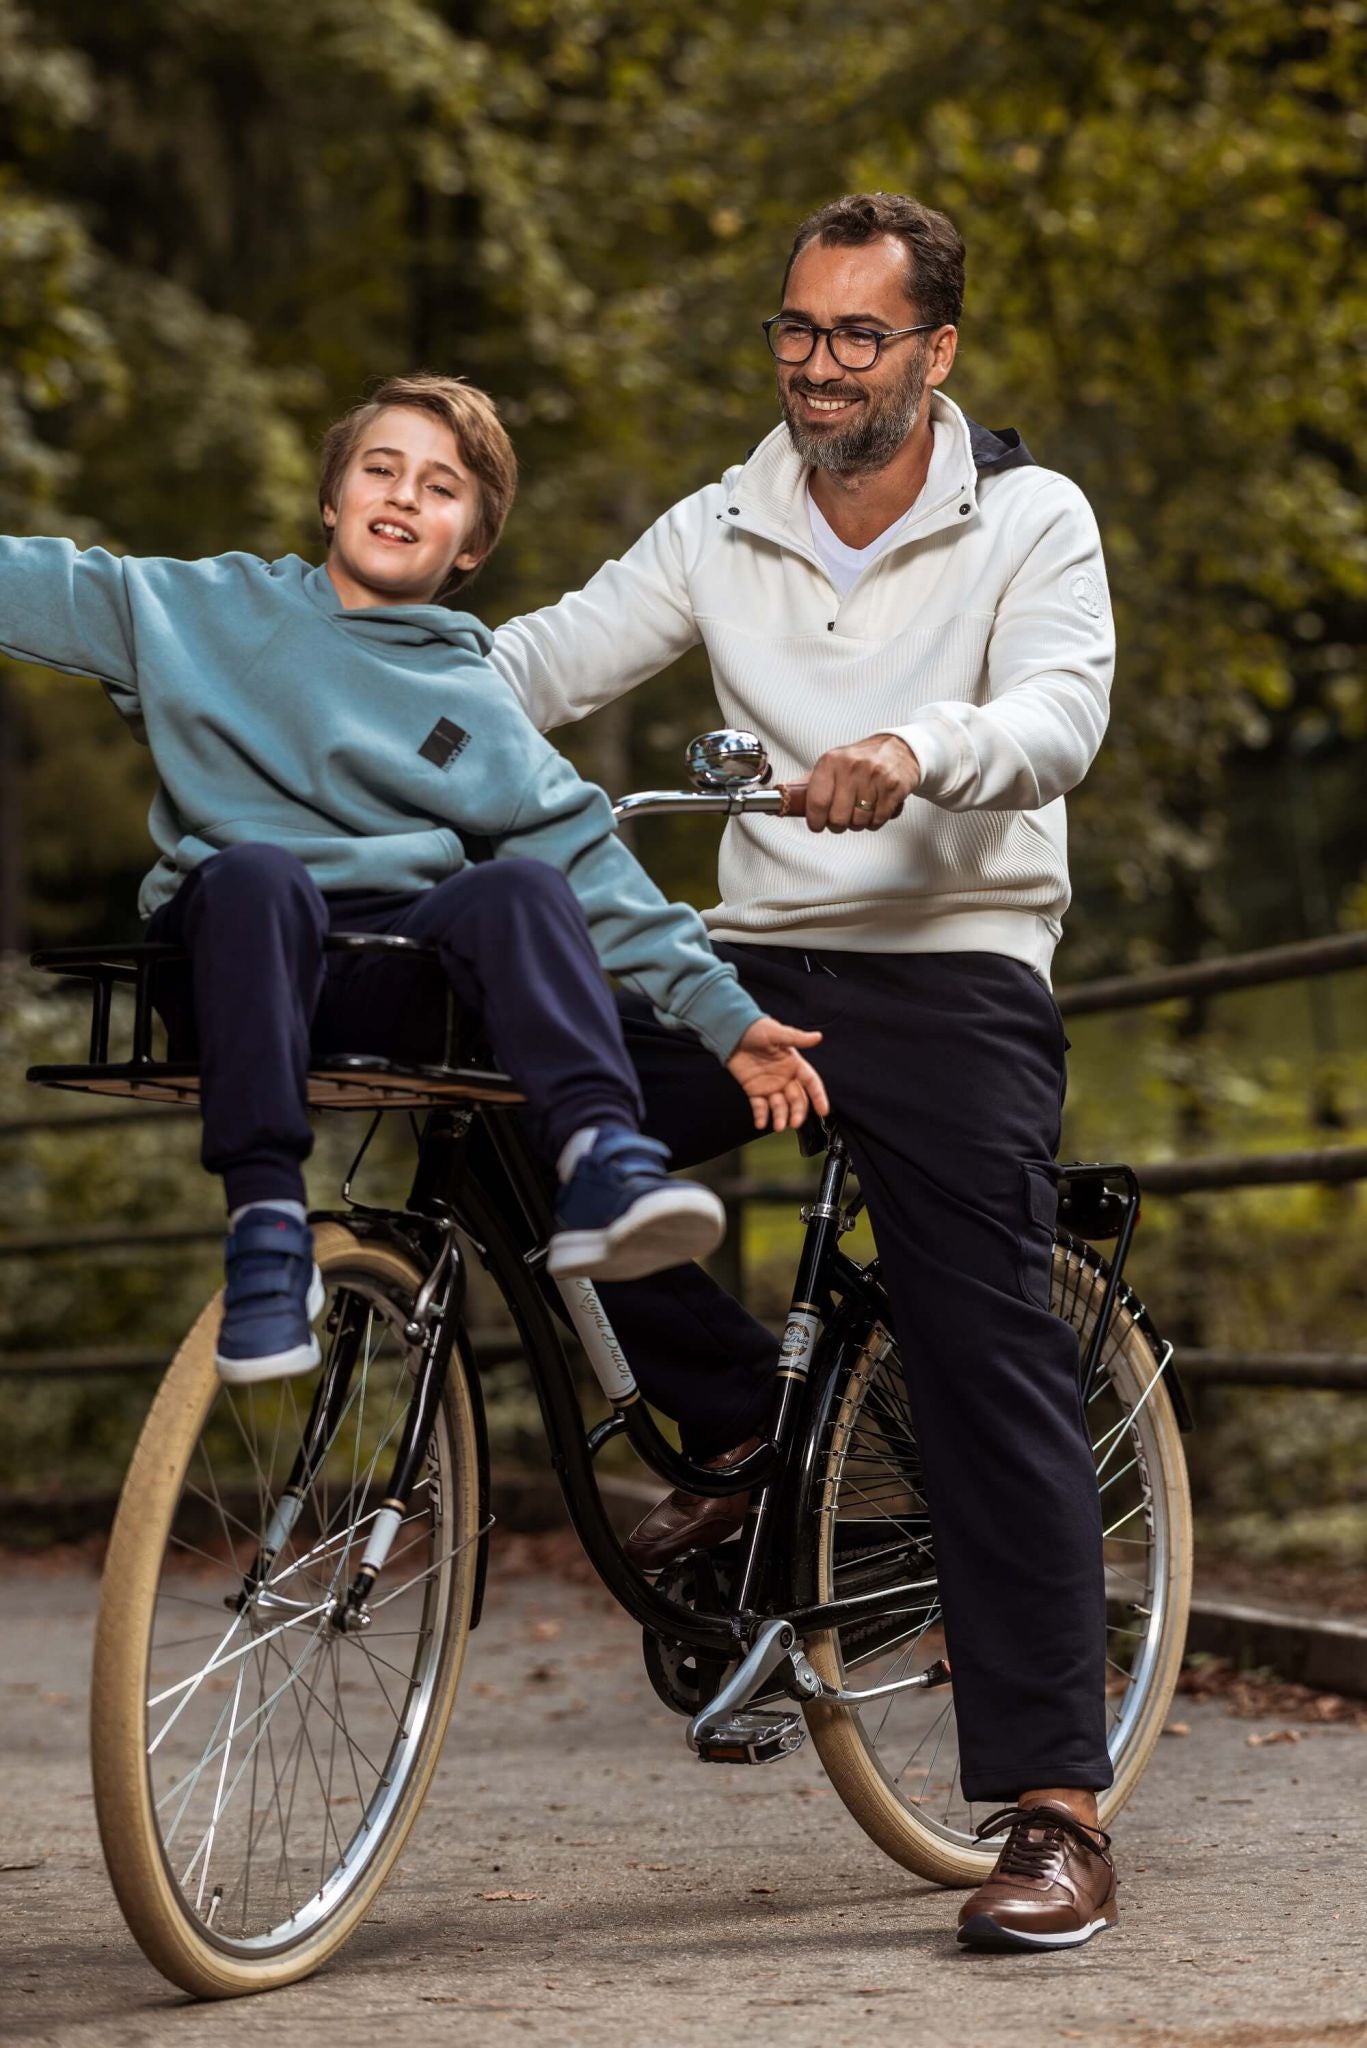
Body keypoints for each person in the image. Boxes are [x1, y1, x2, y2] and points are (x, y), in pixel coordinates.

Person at [488, 194, 1119, 1952]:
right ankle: (743, 1425)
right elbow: (544, 653)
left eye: (856, 334)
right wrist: (355, 688)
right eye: (794, 328)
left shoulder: (1031, 519)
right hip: (752, 962)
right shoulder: (725, 519)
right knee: (523, 1083)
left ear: (933, 351)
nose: (816, 364)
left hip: (954, 969)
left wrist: (918, 748)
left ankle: (1055, 1807)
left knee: (981, 1335)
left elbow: (1062, 709)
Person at [0, 373, 826, 1383]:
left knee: (520, 891)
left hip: (384, 977)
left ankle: (601, 1163)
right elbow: (28, 582)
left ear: (471, 543)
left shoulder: (472, 696)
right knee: (259, 873)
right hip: (234, 950)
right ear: (332, 497)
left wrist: (726, 1018)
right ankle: (265, 1226)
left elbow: (588, 861)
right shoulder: (197, 609)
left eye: (439, 488)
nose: (401, 495)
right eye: (378, 469)